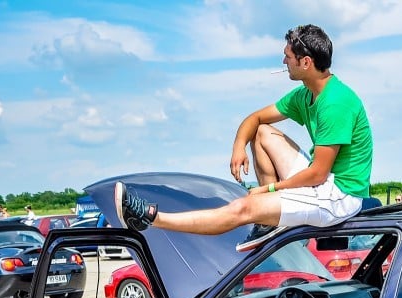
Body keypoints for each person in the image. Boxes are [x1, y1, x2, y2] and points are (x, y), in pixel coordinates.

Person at [115, 24, 373, 251]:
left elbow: (317, 174)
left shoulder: (336, 102)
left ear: (305, 62)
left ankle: (151, 218)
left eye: (288, 57)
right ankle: (268, 222)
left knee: (243, 208)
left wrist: (268, 190)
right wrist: (239, 147)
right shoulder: (304, 95)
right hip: (323, 179)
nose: (284, 63)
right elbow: (254, 119)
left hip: (340, 195)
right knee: (261, 131)